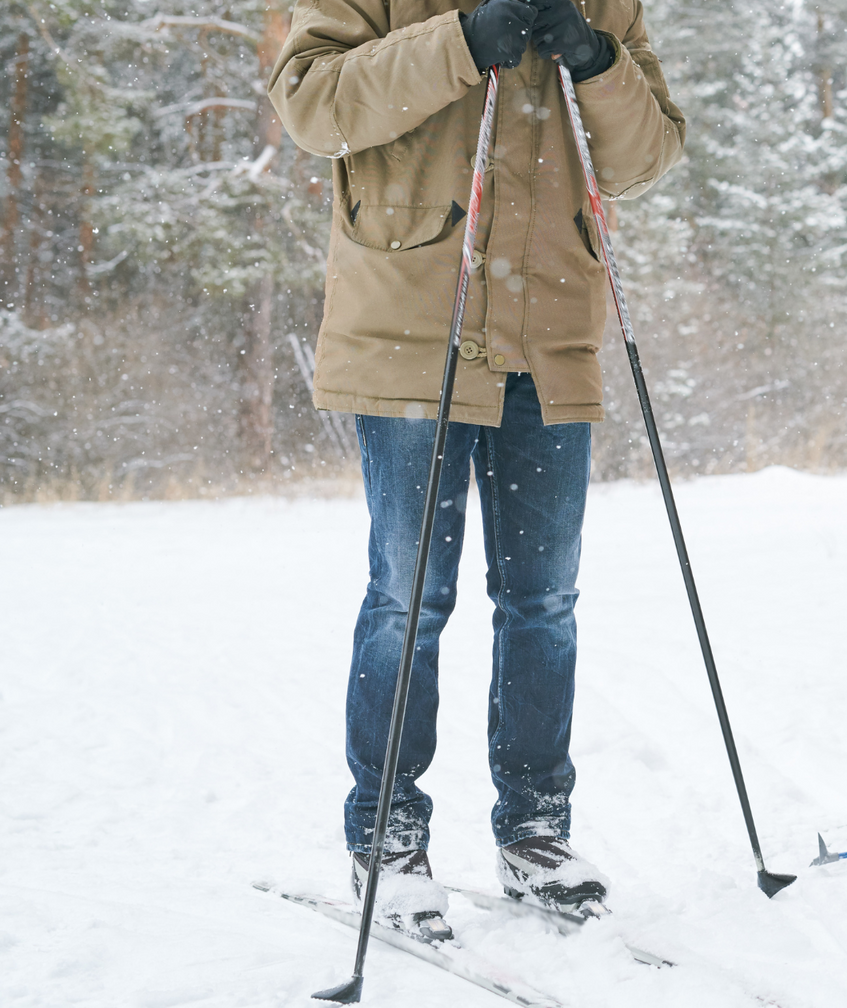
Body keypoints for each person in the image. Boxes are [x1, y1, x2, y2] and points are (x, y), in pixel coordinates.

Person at [268, 0, 685, 938]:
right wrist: (454, 43)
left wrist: (596, 58)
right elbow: (311, 104)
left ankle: (536, 830)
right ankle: (387, 836)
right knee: (408, 596)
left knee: (544, 601)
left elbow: (645, 158)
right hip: (414, 330)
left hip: (551, 336)